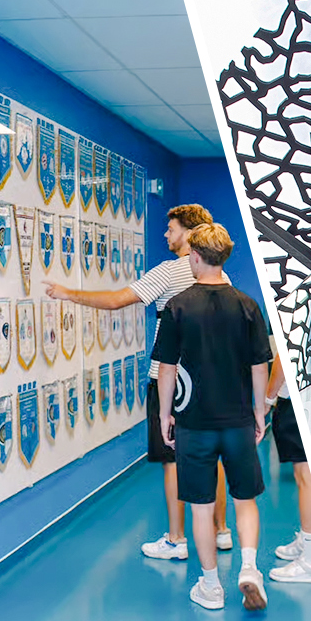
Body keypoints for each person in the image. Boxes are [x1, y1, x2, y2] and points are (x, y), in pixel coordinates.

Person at [45, 203, 231, 559]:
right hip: (211, 377)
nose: (166, 235)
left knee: (173, 459)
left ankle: (177, 540)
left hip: (173, 380)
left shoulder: (169, 271)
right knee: (213, 455)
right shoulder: (222, 276)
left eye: (172, 229)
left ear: (189, 234)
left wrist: (67, 293)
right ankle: (221, 531)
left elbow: (117, 300)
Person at [152, 223, 272, 611]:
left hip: (195, 423)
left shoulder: (178, 306)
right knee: (245, 500)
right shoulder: (248, 304)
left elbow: (167, 368)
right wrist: (259, 410)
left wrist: (164, 414)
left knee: (201, 506)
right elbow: (259, 365)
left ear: (196, 257)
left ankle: (210, 587)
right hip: (237, 420)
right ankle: (250, 568)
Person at [265, 351, 311, 583]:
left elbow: (284, 357)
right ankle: (306, 538)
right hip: (307, 395)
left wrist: (268, 399)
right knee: (304, 476)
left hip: (297, 399)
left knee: (307, 479)